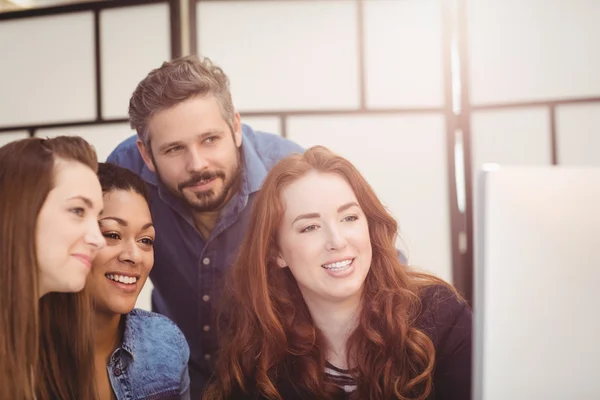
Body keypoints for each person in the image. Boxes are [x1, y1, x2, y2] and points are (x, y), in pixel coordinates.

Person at [203, 146, 472, 400]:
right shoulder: (259, 358)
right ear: (277, 252)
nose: (337, 241)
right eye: (310, 227)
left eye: (349, 218)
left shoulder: (441, 317)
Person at [106, 54, 304, 396]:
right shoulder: (124, 174)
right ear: (147, 154)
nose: (197, 164)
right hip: (176, 376)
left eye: (210, 139)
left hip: (282, 375)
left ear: (236, 128)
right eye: (174, 149)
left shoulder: (289, 173)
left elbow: (369, 260)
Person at [0, 136, 105, 400]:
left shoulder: (44, 350)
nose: (98, 239)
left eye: (98, 218)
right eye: (78, 211)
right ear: (18, 209)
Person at [87, 162, 190, 400]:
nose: (133, 256)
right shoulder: (19, 355)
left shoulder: (165, 344)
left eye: (145, 240)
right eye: (113, 235)